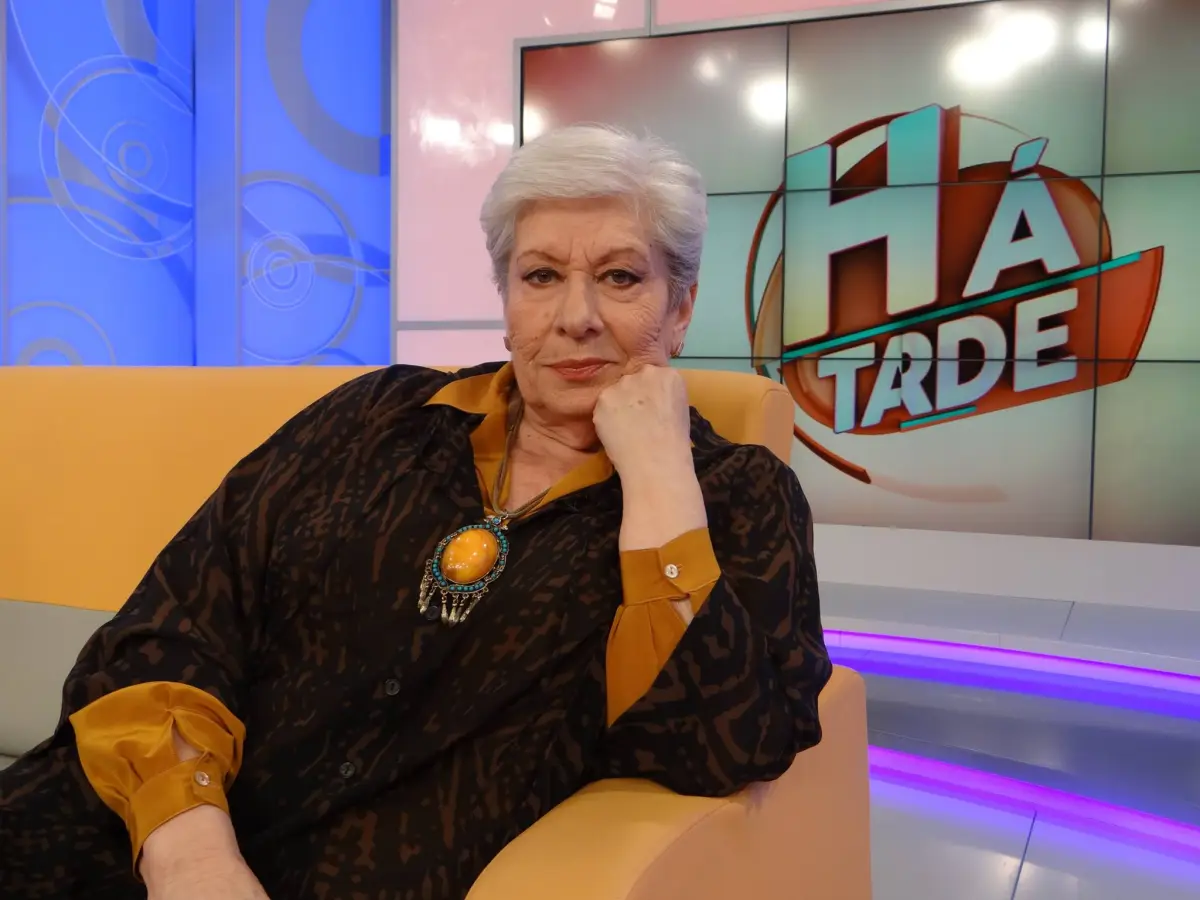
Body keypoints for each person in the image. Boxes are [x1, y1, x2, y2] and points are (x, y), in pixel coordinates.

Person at [0, 124, 831, 899]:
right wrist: (189, 850)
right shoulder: (378, 416)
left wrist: (659, 479)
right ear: (506, 298)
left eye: (620, 277)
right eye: (540, 276)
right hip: (131, 841)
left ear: (680, 308)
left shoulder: (734, 493)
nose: (576, 318)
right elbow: (171, 622)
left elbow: (723, 746)